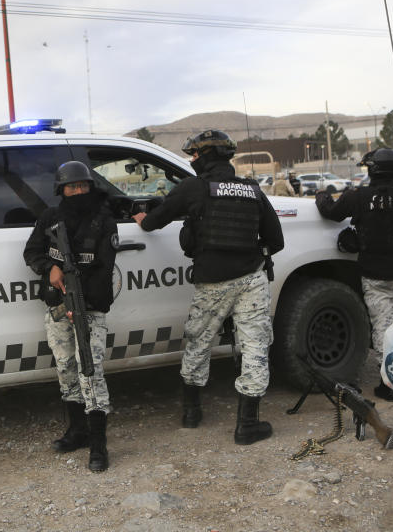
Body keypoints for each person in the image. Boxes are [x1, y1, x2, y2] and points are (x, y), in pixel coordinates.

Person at [131, 130, 284, 445]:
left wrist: (140, 217)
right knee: (255, 348)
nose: (192, 160)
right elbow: (276, 241)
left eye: (195, 155)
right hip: (251, 279)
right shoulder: (252, 190)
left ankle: (191, 413)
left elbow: (152, 223)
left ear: (207, 156)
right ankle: (247, 424)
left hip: (211, 281)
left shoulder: (193, 188)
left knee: (198, 343)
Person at [315, 147, 393, 402]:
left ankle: (391, 385)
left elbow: (331, 212)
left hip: (376, 276)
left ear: (372, 169)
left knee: (385, 328)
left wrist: (322, 197)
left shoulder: (359, 196)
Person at [23, 161, 118, 471]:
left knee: (90, 371)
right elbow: (32, 251)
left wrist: (81, 302)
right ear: (61, 190)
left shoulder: (103, 220)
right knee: (65, 368)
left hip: (87, 307)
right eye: (72, 187)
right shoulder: (51, 218)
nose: (78, 191)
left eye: (83, 186)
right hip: (57, 306)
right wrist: (48, 268)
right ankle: (77, 431)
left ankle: (99, 443)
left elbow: (104, 269)